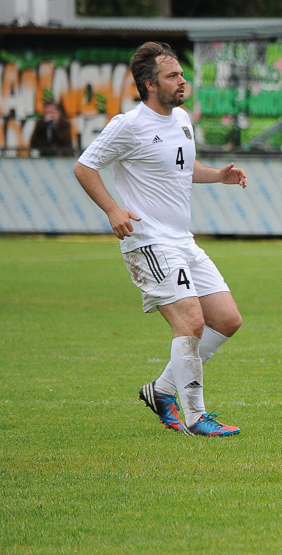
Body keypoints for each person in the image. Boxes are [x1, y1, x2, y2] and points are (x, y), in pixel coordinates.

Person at [74, 41, 247, 437]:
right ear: (150, 85)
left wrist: (218, 175)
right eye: (172, 76)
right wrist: (113, 210)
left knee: (227, 319)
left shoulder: (182, 118)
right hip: (149, 241)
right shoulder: (128, 125)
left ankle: (163, 390)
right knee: (191, 322)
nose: (182, 81)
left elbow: (182, 167)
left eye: (182, 74)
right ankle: (196, 416)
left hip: (182, 240)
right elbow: (85, 168)